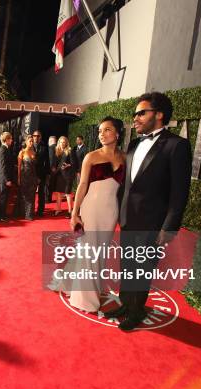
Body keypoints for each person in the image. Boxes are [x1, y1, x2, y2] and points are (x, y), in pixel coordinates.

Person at [105, 92, 192, 331]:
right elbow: (128, 184)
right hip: (128, 219)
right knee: (127, 266)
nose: (135, 118)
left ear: (159, 114)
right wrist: (119, 211)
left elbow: (179, 191)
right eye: (135, 114)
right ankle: (125, 304)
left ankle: (136, 311)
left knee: (142, 270)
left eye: (141, 113)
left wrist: (169, 227)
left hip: (152, 223)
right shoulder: (134, 143)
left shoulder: (177, 146)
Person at [57, 117, 126, 312]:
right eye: (100, 131)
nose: (102, 134)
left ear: (118, 133)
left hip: (111, 210)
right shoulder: (91, 156)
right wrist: (74, 213)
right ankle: (85, 299)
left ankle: (71, 283)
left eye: (107, 130)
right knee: (90, 252)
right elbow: (82, 185)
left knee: (99, 252)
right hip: (92, 207)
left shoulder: (124, 158)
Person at [17, 134, 38, 220]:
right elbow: (19, 166)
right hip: (24, 176)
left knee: (32, 195)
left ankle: (29, 214)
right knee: (24, 195)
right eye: (30, 141)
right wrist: (18, 178)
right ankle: (22, 213)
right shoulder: (22, 152)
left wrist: (37, 178)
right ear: (26, 142)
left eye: (32, 141)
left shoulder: (34, 152)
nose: (32, 143)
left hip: (32, 177)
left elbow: (35, 167)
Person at [0, 131, 15, 222]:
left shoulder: (5, 149)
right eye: (10, 138)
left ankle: (1, 214)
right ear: (6, 139)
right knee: (3, 196)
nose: (12, 140)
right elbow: (3, 166)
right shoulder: (3, 149)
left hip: (3, 175)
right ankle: (1, 216)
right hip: (3, 176)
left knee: (4, 196)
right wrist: (7, 180)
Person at [52, 136, 74, 217]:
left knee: (68, 194)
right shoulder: (57, 151)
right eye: (61, 142)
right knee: (58, 193)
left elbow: (73, 163)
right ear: (59, 143)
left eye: (64, 142)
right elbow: (55, 163)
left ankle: (70, 211)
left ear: (66, 143)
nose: (62, 144)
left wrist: (67, 165)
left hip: (67, 175)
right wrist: (54, 167)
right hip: (59, 175)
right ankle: (58, 209)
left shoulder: (69, 151)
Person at [32, 130, 49, 217]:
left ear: (40, 137)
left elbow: (47, 162)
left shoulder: (44, 147)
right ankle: (30, 210)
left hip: (41, 173)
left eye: (38, 136)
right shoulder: (28, 146)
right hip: (30, 173)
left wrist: (46, 174)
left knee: (41, 193)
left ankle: (40, 210)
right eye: (34, 135)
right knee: (31, 193)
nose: (36, 137)